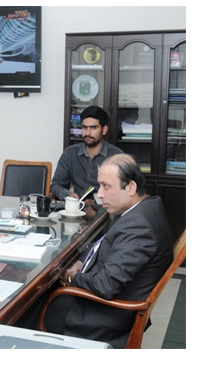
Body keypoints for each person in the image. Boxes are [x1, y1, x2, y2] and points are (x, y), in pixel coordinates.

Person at [18, 154, 173, 348]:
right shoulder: (143, 207)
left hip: (104, 318)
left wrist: (71, 278)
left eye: (106, 186)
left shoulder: (138, 226)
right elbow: (103, 240)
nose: (99, 194)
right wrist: (81, 261)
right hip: (107, 301)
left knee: (23, 311)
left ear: (131, 188)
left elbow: (106, 285)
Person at [50, 106, 123, 200]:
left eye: (93, 128)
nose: (87, 133)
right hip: (77, 209)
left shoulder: (116, 156)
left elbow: (122, 190)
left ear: (104, 130)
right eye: (84, 127)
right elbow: (56, 185)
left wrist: (97, 202)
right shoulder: (70, 153)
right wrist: (68, 195)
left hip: (105, 209)